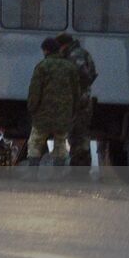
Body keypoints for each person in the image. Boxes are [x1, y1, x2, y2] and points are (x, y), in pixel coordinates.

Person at [26, 36, 80, 166]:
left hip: (43, 115)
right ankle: (58, 176)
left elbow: (35, 91)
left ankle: (33, 173)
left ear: (46, 50)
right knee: (61, 143)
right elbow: (76, 92)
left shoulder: (42, 67)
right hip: (63, 114)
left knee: (36, 142)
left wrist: (32, 108)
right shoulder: (70, 68)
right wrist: (73, 111)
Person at [56, 32, 98, 166]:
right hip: (82, 98)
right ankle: (81, 165)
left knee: (77, 135)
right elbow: (91, 73)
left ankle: (80, 166)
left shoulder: (74, 55)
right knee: (79, 134)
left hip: (79, 100)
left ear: (64, 45)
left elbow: (83, 74)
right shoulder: (81, 53)